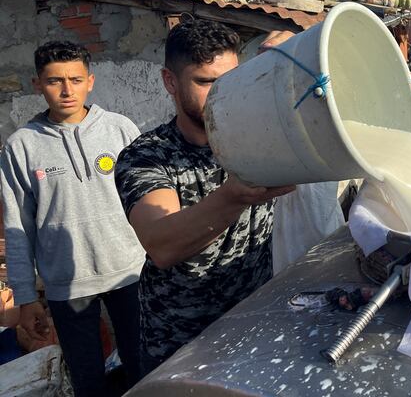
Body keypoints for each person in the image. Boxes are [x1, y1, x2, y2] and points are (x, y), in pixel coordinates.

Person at [115, 19, 295, 375]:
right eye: (205, 81)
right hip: (180, 346)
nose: (220, 93)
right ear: (171, 82)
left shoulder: (258, 134)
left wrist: (299, 49)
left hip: (253, 324)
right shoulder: (147, 155)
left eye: (229, 80)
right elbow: (162, 243)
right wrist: (234, 196)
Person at [0, 41, 144, 396]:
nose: (67, 90)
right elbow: (17, 226)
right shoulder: (21, 146)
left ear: (90, 81)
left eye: (75, 79)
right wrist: (25, 295)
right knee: (87, 380)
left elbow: (146, 198)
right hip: (67, 283)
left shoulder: (119, 129)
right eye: (54, 81)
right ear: (38, 85)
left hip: (132, 272)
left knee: (146, 369)